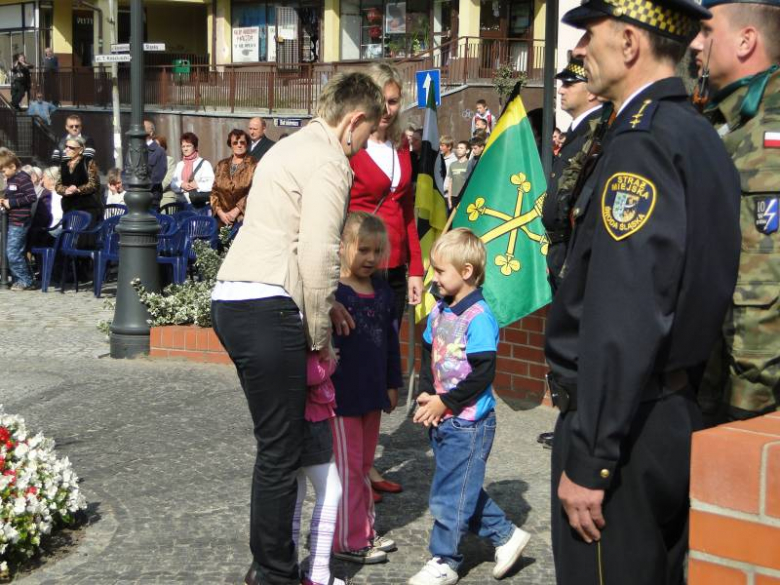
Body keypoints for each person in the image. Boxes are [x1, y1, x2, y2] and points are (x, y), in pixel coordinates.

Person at [546, 0, 743, 582]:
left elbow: (624, 313)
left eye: (590, 35)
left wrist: (592, 457)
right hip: (668, 411)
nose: (580, 50)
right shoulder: (696, 132)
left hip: (625, 431)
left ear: (629, 42)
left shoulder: (641, 142)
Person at [210, 72, 384, 585]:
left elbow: (282, 235)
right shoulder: (331, 160)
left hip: (234, 294)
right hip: (269, 304)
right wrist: (319, 337)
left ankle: (276, 562)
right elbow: (318, 253)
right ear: (353, 120)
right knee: (279, 450)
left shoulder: (287, 148)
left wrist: (319, 311)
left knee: (284, 444)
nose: (364, 145)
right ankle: (274, 572)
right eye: (368, 133)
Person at [410, 228, 530, 585]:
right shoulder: (441, 310)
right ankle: (506, 535)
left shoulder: (479, 317)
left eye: (440, 271)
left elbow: (483, 373)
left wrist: (445, 401)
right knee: (459, 486)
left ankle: (445, 560)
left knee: (448, 494)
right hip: (443, 417)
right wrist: (429, 391)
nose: (434, 277)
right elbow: (429, 348)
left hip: (470, 423)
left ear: (465, 272)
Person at [333, 62, 424, 498]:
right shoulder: (351, 146)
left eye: (393, 100)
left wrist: (418, 269)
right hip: (356, 263)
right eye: (381, 100)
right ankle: (351, 463)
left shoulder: (405, 147)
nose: (387, 109)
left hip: (394, 265)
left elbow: (408, 214)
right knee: (358, 361)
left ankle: (366, 465)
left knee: (385, 356)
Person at [691, 0, 780, 424]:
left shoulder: (770, 126)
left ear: (747, 40)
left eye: (707, 32)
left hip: (749, 395)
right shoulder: (730, 118)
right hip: (714, 372)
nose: (695, 43)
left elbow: (762, 285)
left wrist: (743, 410)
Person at [330, 212, 402, 564]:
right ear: (344, 248)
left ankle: (363, 530)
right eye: (363, 250)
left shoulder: (383, 290)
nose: (370, 259)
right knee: (346, 469)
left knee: (362, 466)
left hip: (371, 393)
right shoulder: (334, 293)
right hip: (341, 396)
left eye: (376, 251)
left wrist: (392, 383)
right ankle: (346, 539)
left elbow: (390, 340)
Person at [541, 56, 604, 293]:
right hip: (560, 249)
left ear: (591, 92)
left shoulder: (594, 133)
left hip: (573, 248)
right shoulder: (578, 131)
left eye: (569, 84)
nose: (560, 90)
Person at [292, 350, 346, 585]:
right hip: (311, 418)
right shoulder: (305, 321)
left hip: (288, 418)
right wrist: (330, 358)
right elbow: (311, 373)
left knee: (295, 490)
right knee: (331, 490)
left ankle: (289, 568)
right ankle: (319, 574)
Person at [0, 150, 37, 290]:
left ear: (13, 166)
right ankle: (19, 279)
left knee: (13, 253)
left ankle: (26, 280)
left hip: (20, 221)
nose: (3, 174)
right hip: (12, 220)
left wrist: (12, 203)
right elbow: (13, 196)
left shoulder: (22, 178)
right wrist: (4, 201)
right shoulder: (11, 179)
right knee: (15, 252)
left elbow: (31, 197)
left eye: (4, 171)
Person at [210, 129, 257, 228]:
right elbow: (214, 192)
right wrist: (220, 213)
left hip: (244, 219)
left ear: (247, 144)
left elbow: (256, 191)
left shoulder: (254, 165)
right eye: (235, 142)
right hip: (221, 219)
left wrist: (237, 210)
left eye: (242, 142)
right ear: (231, 145)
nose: (239, 145)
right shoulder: (221, 165)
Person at [55, 136, 102, 231]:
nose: (67, 149)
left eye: (71, 147)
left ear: (80, 150)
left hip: (86, 208)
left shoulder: (88, 162)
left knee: (83, 240)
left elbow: (94, 184)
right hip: (69, 208)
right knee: (69, 239)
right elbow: (58, 185)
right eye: (66, 146)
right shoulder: (63, 164)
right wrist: (65, 190)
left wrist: (78, 189)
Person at [169, 132, 214, 208]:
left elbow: (212, 184)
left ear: (195, 147)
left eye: (188, 146)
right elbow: (173, 183)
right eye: (183, 146)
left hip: (199, 205)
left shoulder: (204, 164)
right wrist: (181, 184)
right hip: (181, 205)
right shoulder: (180, 164)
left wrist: (197, 185)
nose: (185, 149)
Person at [143, 119, 167, 210]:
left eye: (143, 128)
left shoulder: (159, 151)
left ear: (151, 132)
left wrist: (143, 188)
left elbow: (158, 176)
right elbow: (127, 170)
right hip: (134, 198)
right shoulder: (133, 150)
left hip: (151, 198)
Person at [444, 140, 469, 208]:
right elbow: (450, 182)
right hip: (454, 196)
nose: (459, 150)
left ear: (467, 151)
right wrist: (449, 199)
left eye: (461, 148)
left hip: (465, 196)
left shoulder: (469, 164)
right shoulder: (453, 164)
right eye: (458, 148)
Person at [156, 135, 177, 206]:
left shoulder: (169, 160)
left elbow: (167, 180)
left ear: (163, 148)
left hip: (165, 197)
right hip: (151, 198)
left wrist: (154, 190)